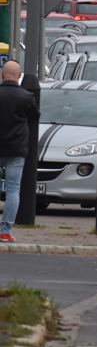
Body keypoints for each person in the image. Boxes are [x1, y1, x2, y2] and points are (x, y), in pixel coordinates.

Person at [0, 61, 40, 243]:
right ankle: (5, 230)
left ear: (2, 75)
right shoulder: (26, 96)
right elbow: (34, 117)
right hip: (16, 149)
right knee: (13, 189)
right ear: (19, 76)